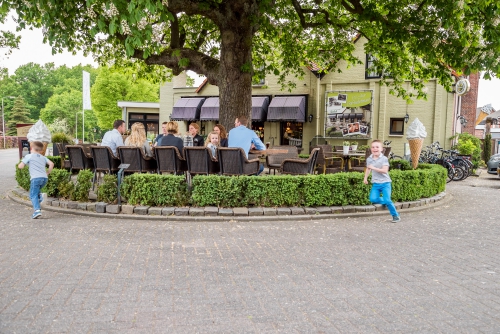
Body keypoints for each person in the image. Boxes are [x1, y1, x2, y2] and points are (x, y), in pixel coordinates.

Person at [363, 139, 401, 223]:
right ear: (371, 149)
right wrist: (365, 178)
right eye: (373, 147)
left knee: (387, 200)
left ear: (381, 149)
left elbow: (385, 170)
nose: (375, 148)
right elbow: (368, 169)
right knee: (373, 199)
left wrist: (373, 168)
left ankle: (395, 215)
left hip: (385, 183)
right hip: (376, 183)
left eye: (377, 147)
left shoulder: (384, 159)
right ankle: (386, 201)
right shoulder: (369, 159)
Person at [17, 141, 54, 219]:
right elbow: (51, 164)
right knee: (36, 192)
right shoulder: (43, 157)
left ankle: (37, 210)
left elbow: (21, 166)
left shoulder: (29, 156)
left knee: (32, 195)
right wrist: (48, 172)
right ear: (41, 150)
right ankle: (40, 196)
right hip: (44, 179)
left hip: (35, 178)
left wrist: (20, 165)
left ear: (31, 148)